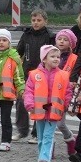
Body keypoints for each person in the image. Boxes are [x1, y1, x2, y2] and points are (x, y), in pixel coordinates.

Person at [23, 45, 73, 162]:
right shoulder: (34, 75)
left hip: (54, 111)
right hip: (39, 110)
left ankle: (45, 158)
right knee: (40, 136)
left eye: (58, 57)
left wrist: (66, 104)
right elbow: (29, 91)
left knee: (48, 136)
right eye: (52, 56)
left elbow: (67, 91)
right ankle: (42, 157)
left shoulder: (63, 75)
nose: (56, 59)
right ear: (44, 59)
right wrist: (29, 103)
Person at [14, 9, 56, 143]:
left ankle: (36, 133)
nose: (36, 23)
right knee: (21, 101)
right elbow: (17, 52)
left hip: (43, 74)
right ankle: (22, 130)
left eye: (39, 20)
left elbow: (54, 55)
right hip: (26, 73)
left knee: (40, 103)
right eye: (33, 20)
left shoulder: (50, 36)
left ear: (45, 21)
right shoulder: (26, 34)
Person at [55, 29, 79, 155]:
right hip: (49, 94)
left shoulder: (74, 58)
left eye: (65, 40)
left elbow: (76, 75)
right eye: (60, 39)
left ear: (71, 43)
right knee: (49, 123)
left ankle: (70, 140)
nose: (62, 41)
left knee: (60, 123)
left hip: (64, 94)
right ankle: (48, 149)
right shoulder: (50, 54)